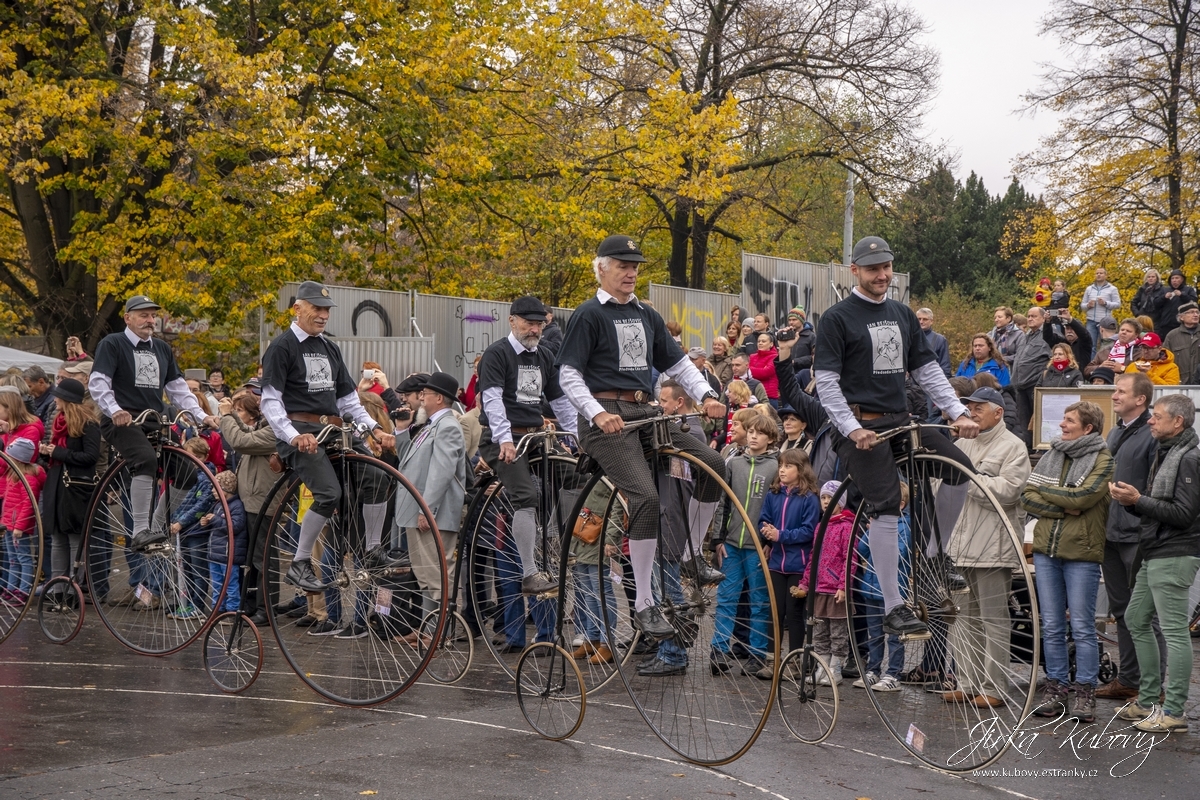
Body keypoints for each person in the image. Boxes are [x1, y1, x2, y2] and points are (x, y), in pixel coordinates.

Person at [555, 234, 730, 643]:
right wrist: (597, 413)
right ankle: (646, 604)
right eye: (621, 265)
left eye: (634, 266)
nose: (631, 272)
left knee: (715, 466)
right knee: (646, 497)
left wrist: (706, 394)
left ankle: (690, 557)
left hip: (645, 413)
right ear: (601, 268)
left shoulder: (646, 315)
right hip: (606, 418)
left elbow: (677, 362)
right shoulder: (588, 315)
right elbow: (568, 375)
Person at [814, 235, 980, 637]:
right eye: (873, 269)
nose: (882, 275)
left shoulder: (903, 315)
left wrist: (957, 411)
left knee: (961, 469)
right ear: (854, 271)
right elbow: (826, 382)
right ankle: (894, 606)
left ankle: (932, 558)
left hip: (900, 420)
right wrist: (852, 429)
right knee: (886, 502)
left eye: (887, 267)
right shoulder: (838, 318)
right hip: (859, 426)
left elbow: (926, 371)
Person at [258, 281, 395, 594]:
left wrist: (373, 428)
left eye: (326, 310)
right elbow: (270, 401)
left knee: (377, 475)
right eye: (316, 309)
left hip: (333, 430)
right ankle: (300, 562)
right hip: (300, 432)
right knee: (329, 493)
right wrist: (292, 437)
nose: (322, 315)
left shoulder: (329, 347)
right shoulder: (282, 347)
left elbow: (348, 400)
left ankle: (372, 550)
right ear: (298, 309)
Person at [88, 295, 218, 553]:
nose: (150, 321)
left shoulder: (161, 349)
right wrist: (115, 410)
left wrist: (202, 416)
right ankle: (139, 532)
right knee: (145, 460)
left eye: (152, 316)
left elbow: (178, 389)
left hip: (152, 421)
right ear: (128, 318)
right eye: (143, 315)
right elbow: (98, 382)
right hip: (122, 419)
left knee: (186, 473)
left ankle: (156, 527)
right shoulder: (113, 343)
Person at [1109, 394, 1200, 733]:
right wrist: (1132, 503)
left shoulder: (1188, 458)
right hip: (1157, 550)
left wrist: (1138, 500)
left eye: (1157, 416)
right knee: (1135, 617)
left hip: (1175, 551)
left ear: (1178, 421)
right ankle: (1147, 700)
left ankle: (1174, 711)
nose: (1150, 420)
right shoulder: (1167, 452)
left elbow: (1183, 514)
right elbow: (1157, 508)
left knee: (1175, 632)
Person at [476, 296, 577, 595]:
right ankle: (530, 573)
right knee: (527, 495)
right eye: (529, 324)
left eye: (539, 325)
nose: (534, 330)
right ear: (512, 321)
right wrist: (505, 439)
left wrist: (576, 438)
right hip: (501, 437)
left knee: (576, 475)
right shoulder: (497, 354)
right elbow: (493, 400)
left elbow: (560, 402)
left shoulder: (544, 355)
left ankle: (555, 537)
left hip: (535, 436)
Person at [1021, 401, 1113, 723]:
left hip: (1082, 554)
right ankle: (1056, 687)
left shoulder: (1103, 459)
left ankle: (1085, 691)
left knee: (1083, 627)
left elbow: (1084, 498)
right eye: (1063, 419)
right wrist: (1062, 507)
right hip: (1047, 550)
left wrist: (1051, 496)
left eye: (1069, 420)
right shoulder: (1052, 455)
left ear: (1087, 428)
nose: (1062, 424)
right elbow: (1027, 495)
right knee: (1052, 624)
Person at [944, 387, 1031, 708]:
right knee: (962, 618)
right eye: (970, 407)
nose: (973, 411)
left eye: (980, 407)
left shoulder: (1014, 447)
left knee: (993, 619)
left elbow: (1007, 492)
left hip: (991, 546)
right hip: (958, 544)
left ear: (999, 412)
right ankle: (966, 683)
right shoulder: (961, 442)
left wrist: (966, 479)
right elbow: (942, 488)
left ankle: (994, 687)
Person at [1095, 373, 1161, 702]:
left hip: (1137, 535)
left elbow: (1157, 488)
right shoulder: (1115, 431)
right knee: (1120, 611)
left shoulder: (1153, 434)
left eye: (1121, 391)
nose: (1115, 394)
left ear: (1141, 399)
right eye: (1115, 390)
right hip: (1110, 533)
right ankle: (1130, 679)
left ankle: (1155, 686)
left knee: (1145, 613)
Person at [711, 414, 778, 676]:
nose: (753, 436)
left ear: (770, 439)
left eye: (759, 433)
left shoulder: (774, 467)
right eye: (750, 431)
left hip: (758, 547)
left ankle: (757, 654)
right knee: (726, 598)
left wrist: (768, 540)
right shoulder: (734, 463)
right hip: (731, 544)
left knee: (759, 602)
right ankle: (718, 651)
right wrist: (717, 539)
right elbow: (722, 502)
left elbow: (774, 507)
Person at [394, 372, 466, 615]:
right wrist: (401, 430)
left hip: (433, 512)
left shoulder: (447, 427)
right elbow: (406, 463)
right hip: (420, 510)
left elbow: (442, 472)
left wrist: (428, 509)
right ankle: (428, 627)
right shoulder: (431, 425)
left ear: (439, 398)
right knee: (425, 572)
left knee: (437, 572)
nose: (421, 398)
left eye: (426, 394)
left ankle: (438, 630)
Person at [217, 392, 278, 625]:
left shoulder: (275, 430)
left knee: (264, 559)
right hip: (252, 500)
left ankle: (266, 610)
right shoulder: (264, 426)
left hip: (264, 502)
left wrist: (226, 416)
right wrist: (231, 415)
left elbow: (240, 441)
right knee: (251, 559)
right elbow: (242, 433)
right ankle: (252, 606)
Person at [757, 449, 820, 674]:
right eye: (780, 465)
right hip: (776, 562)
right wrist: (767, 532)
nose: (782, 470)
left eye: (788, 466)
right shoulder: (773, 493)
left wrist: (780, 535)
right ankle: (772, 660)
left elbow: (808, 531)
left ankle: (794, 661)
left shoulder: (810, 498)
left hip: (798, 565)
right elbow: (763, 518)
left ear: (800, 470)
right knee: (775, 611)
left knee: (794, 613)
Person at [37, 378, 101, 591]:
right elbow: (58, 454)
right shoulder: (59, 421)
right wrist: (47, 453)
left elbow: (91, 456)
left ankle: (74, 589)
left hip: (76, 486)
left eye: (59, 396)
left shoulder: (88, 423)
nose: (55, 399)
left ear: (67, 399)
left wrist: (58, 452)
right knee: (57, 538)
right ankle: (57, 589)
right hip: (56, 483)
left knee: (75, 539)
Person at [851, 481, 910, 693]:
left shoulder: (904, 526)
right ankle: (873, 669)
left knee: (895, 635)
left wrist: (881, 536)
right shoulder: (876, 524)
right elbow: (861, 550)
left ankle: (894, 673)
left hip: (893, 591)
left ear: (900, 504)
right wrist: (871, 532)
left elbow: (898, 554)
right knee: (874, 633)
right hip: (871, 588)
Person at [804, 479, 856, 685]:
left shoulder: (846, 527)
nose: (826, 502)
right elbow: (813, 557)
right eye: (823, 498)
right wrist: (806, 582)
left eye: (830, 498)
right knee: (820, 632)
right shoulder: (820, 526)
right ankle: (821, 668)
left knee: (838, 633)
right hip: (819, 588)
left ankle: (835, 669)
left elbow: (849, 559)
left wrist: (843, 586)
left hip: (836, 590)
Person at [0, 438, 46, 606]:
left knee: (23, 558)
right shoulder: (13, 476)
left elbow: (28, 504)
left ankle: (24, 590)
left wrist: (20, 526)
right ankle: (11, 587)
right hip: (9, 525)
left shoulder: (29, 479)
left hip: (19, 527)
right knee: (12, 558)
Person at [203, 470, 247, 614]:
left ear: (225, 489)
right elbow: (218, 525)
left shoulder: (236, 506)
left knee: (230, 584)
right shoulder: (218, 505)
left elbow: (234, 526)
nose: (212, 491)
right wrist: (206, 522)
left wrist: (215, 520)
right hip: (215, 554)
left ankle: (232, 610)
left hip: (228, 555)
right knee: (216, 584)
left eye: (215, 487)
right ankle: (217, 609)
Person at [1011, 307, 1052, 448]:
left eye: (1033, 316)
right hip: (1019, 384)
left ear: (1042, 318)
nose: (1029, 319)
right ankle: (1027, 448)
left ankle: (1039, 447)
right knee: (1023, 420)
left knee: (1038, 418)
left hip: (1035, 384)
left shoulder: (1048, 336)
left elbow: (1051, 358)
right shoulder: (1025, 336)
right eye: (1028, 316)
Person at [1083, 317, 1141, 383]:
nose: (1124, 332)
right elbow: (1086, 371)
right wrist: (1100, 367)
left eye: (1128, 331)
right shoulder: (1105, 350)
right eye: (1122, 330)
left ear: (1136, 335)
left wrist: (1123, 369)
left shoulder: (1140, 351)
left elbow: (1143, 374)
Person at [1082, 268, 1122, 355]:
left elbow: (1118, 304)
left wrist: (1105, 303)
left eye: (1101, 273)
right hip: (1091, 321)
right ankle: (1091, 366)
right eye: (1097, 273)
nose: (1099, 275)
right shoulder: (1089, 289)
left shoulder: (1112, 289)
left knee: (1107, 345)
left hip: (1105, 322)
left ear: (1105, 275)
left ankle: (1106, 364)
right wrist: (1088, 305)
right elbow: (1082, 306)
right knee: (1090, 345)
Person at [1163, 301, 1200, 385]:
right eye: (1191, 312)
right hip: (1180, 384)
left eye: (1197, 312)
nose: (1195, 315)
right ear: (1181, 317)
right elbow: (1165, 361)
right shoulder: (1172, 336)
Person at [1157, 270, 1197, 336]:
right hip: (1166, 323)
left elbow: (1193, 302)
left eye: (1177, 278)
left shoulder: (1188, 290)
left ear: (1182, 279)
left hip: (1182, 323)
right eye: (1172, 278)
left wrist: (1182, 295)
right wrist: (1164, 297)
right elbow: (1156, 304)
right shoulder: (1164, 290)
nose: (1174, 280)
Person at [21, 365, 54, 442]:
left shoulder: (54, 400)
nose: (28, 391)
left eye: (29, 386)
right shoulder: (36, 398)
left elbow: (47, 429)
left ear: (41, 382)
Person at [915, 307, 951, 377]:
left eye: (925, 319)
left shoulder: (940, 340)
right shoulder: (909, 337)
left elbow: (945, 366)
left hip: (931, 381)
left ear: (931, 321)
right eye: (919, 319)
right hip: (911, 384)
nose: (921, 322)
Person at [748, 332, 780, 407]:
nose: (760, 343)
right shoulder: (752, 356)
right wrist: (759, 370)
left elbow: (766, 372)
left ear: (771, 344)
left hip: (769, 396)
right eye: (758, 341)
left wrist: (749, 369)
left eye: (763, 341)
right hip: (752, 395)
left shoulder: (775, 357)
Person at [784, 307, 816, 373]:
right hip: (788, 373)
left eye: (794, 320)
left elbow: (815, 357)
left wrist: (795, 362)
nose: (791, 322)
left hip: (803, 373)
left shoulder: (811, 336)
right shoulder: (786, 335)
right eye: (789, 320)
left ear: (802, 321)